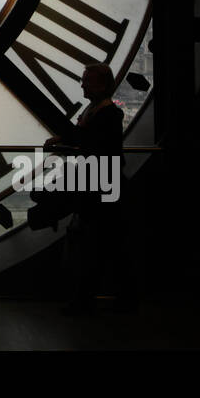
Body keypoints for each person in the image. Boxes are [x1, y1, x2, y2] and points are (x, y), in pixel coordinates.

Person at [43, 62, 128, 315]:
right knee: (100, 247)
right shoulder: (107, 113)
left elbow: (88, 143)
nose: (82, 84)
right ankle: (98, 299)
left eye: (86, 81)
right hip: (103, 186)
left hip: (94, 188)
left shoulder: (97, 113)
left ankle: (82, 299)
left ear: (100, 84)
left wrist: (64, 141)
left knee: (90, 247)